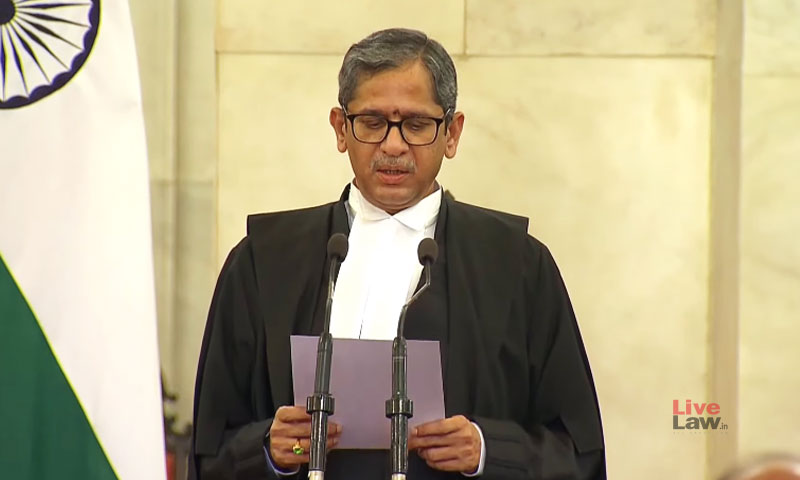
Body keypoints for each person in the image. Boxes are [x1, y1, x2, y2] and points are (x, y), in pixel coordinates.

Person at [189, 28, 606, 479]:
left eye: (416, 124)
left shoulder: (516, 264)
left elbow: (577, 451)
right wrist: (268, 450)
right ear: (340, 128)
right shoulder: (265, 261)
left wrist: (487, 451)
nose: (393, 145)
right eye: (372, 122)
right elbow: (211, 447)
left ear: (452, 133)